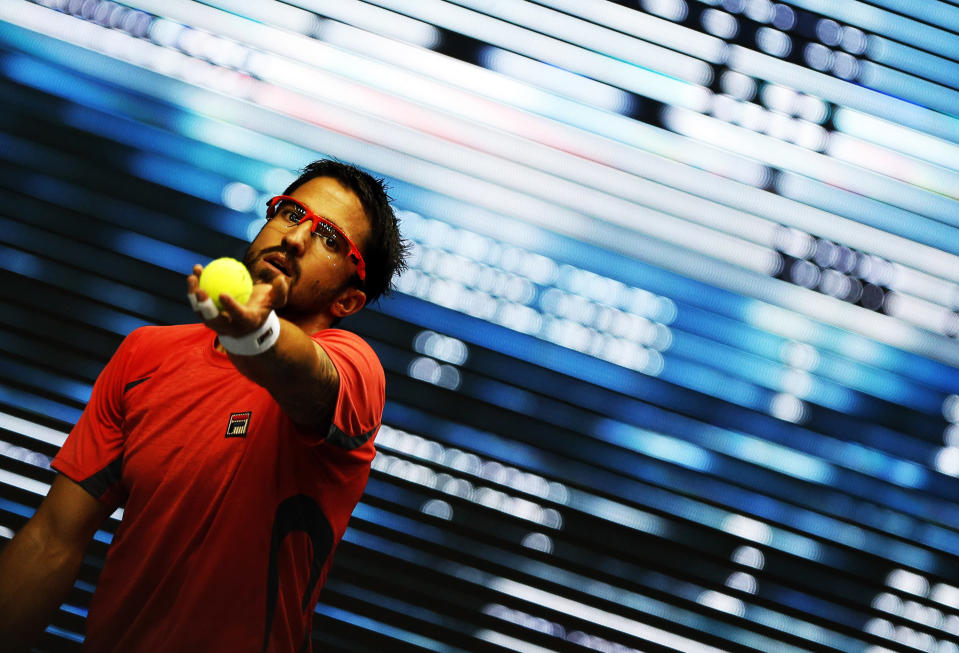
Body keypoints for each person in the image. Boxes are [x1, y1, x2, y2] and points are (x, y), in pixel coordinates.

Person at [0, 159, 408, 652]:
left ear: (348, 301)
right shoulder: (145, 355)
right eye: (293, 213)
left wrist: (255, 336)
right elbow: (51, 541)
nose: (296, 238)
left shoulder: (356, 371)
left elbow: (306, 377)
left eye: (330, 239)